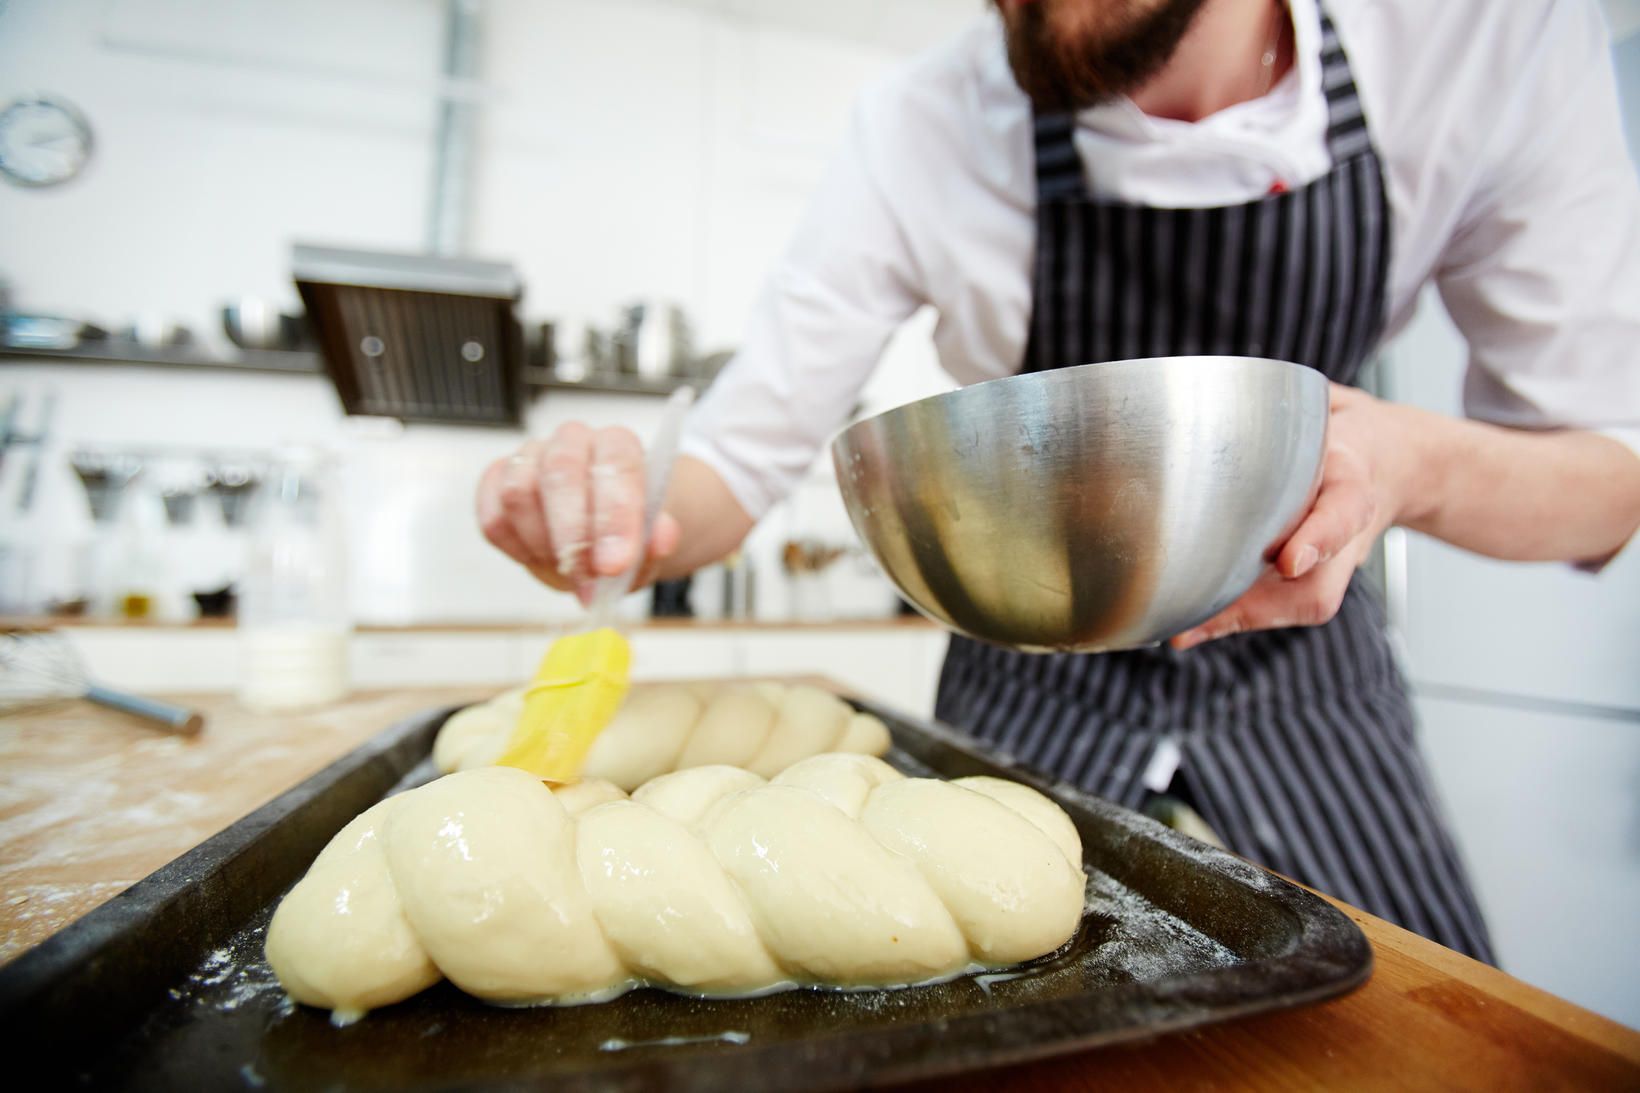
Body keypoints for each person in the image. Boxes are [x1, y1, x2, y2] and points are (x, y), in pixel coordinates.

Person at [476, 0, 1640, 962]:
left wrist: (1408, 463)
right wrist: (610, 511)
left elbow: (1606, 477)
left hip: (1306, 674)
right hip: (1025, 677)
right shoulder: (921, 123)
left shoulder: (1481, 38)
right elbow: (730, 466)